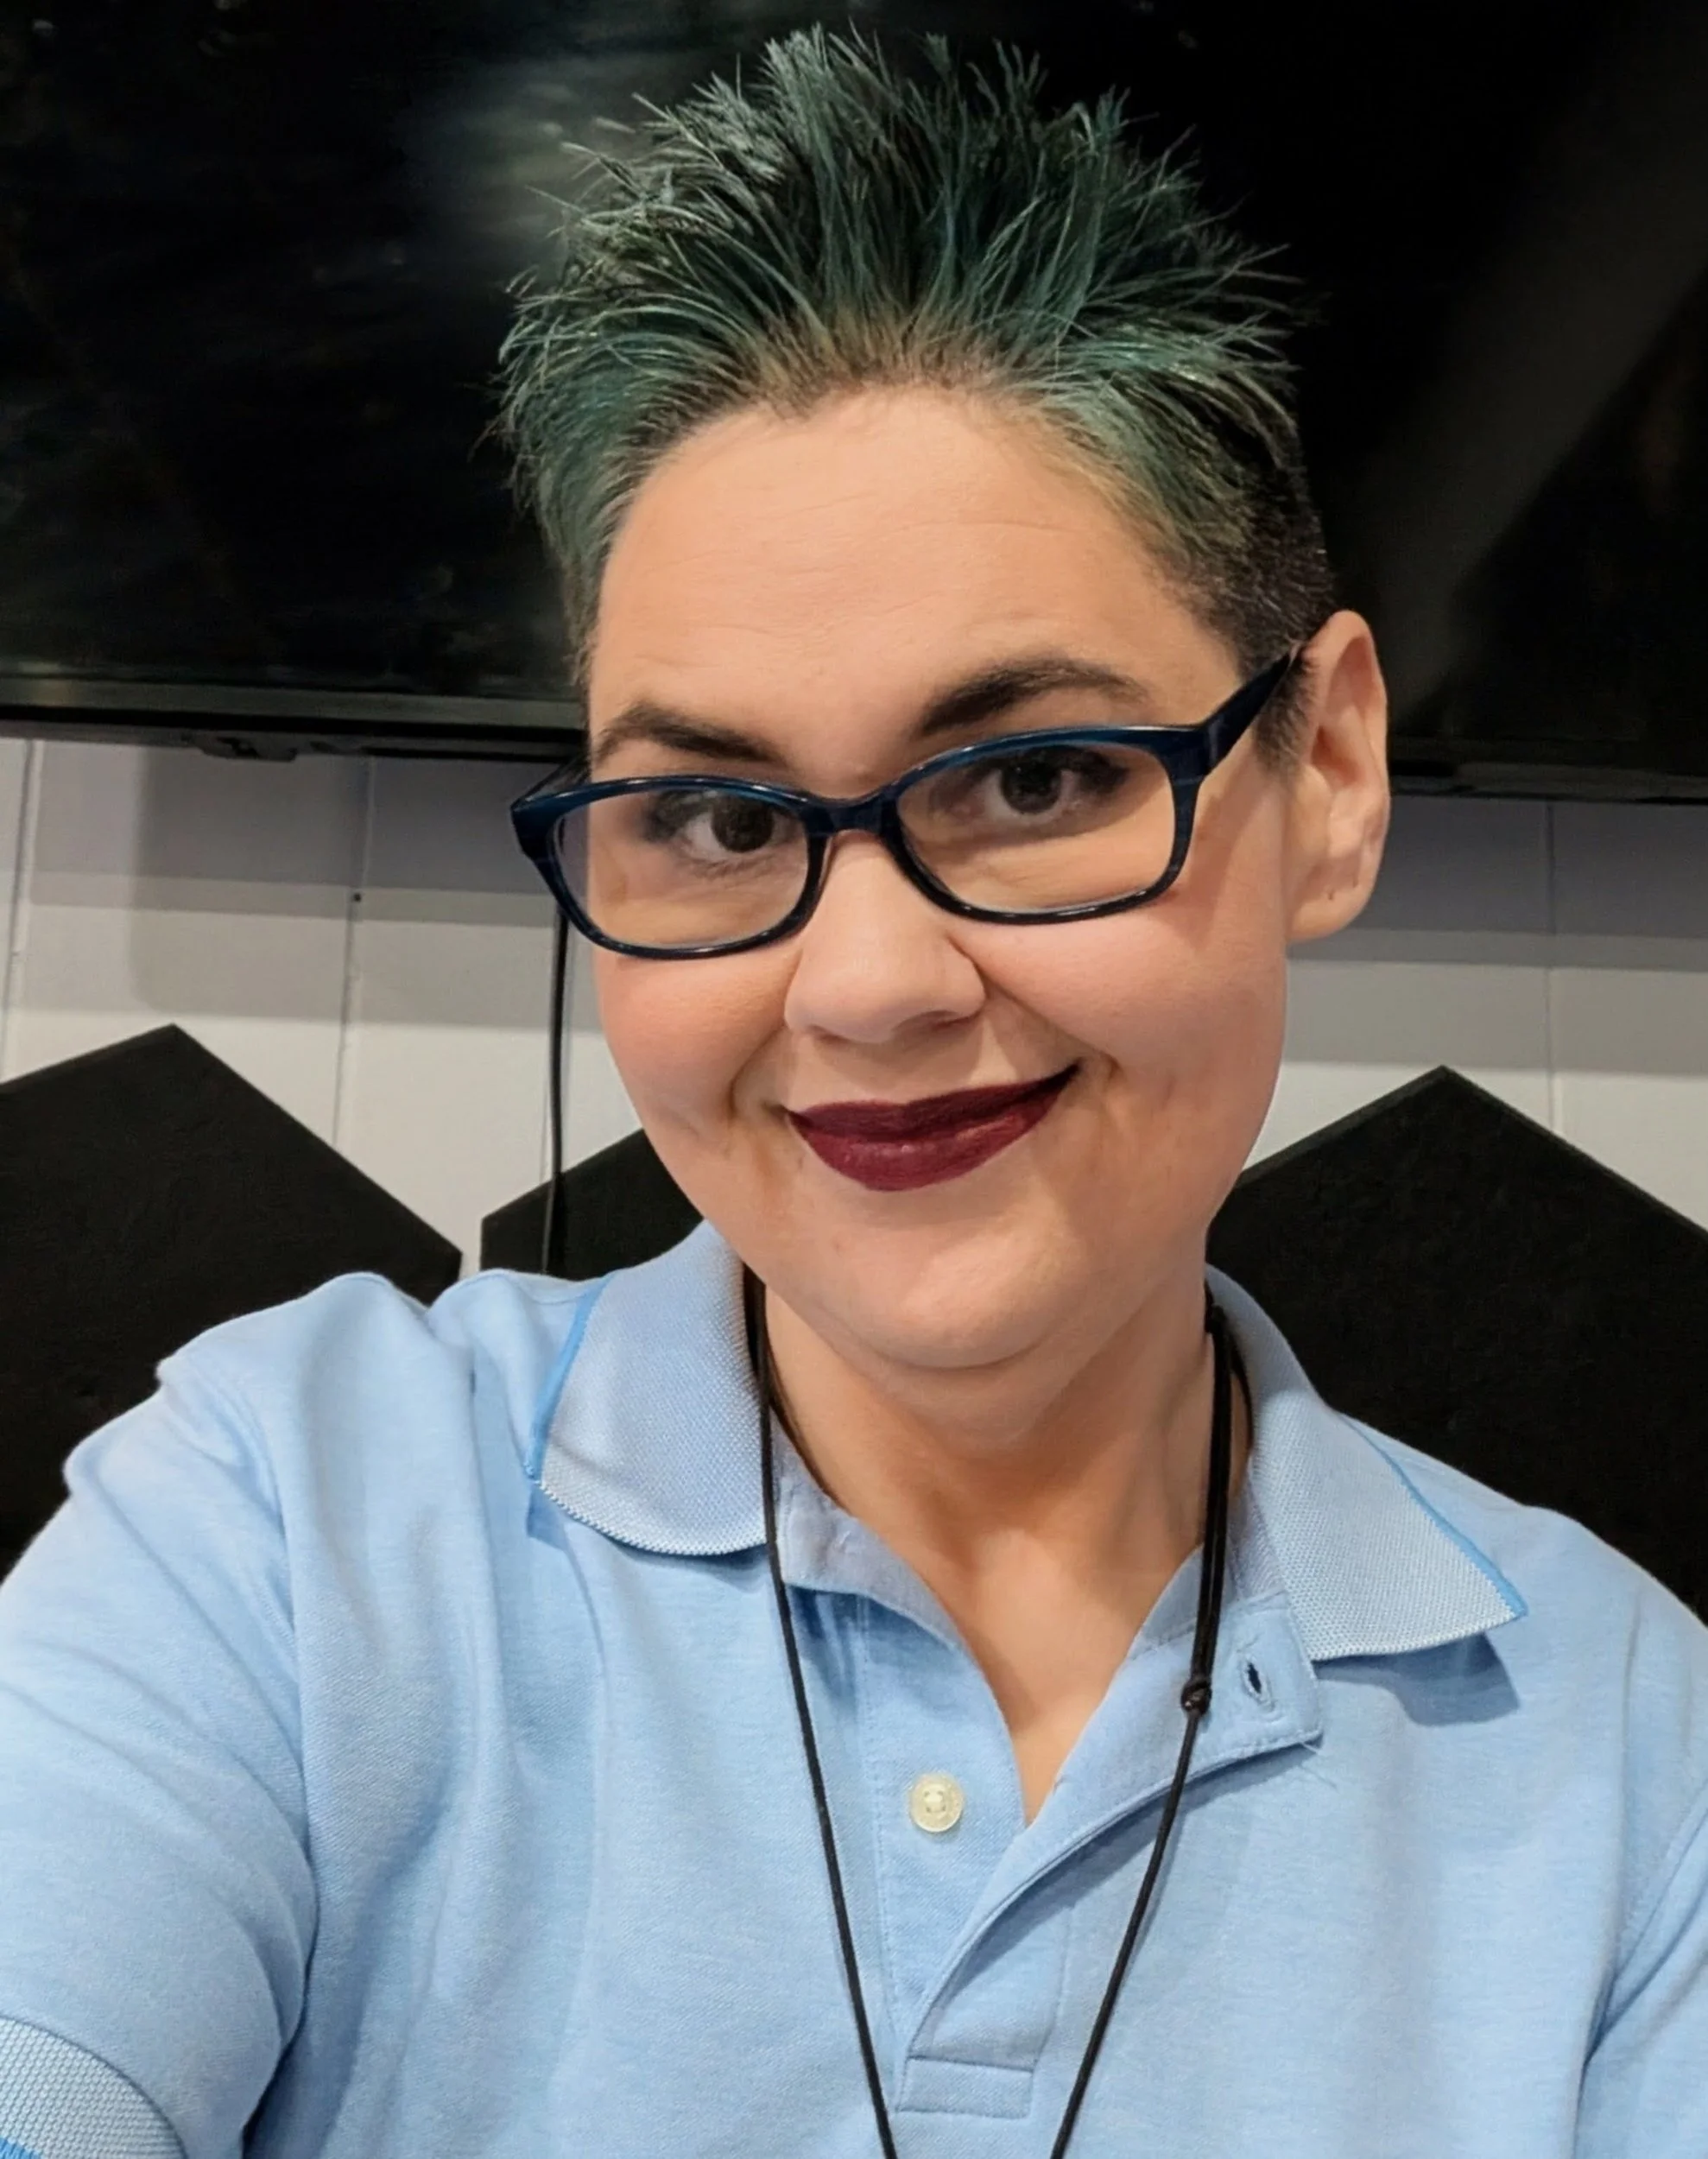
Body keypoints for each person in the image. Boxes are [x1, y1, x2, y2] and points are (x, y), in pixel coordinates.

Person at [2, 28, 1705, 2158]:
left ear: (1326, 775)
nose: (872, 982)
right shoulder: (278, 1523)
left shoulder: (1628, 1746)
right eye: (711, 815)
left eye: (1036, 776)